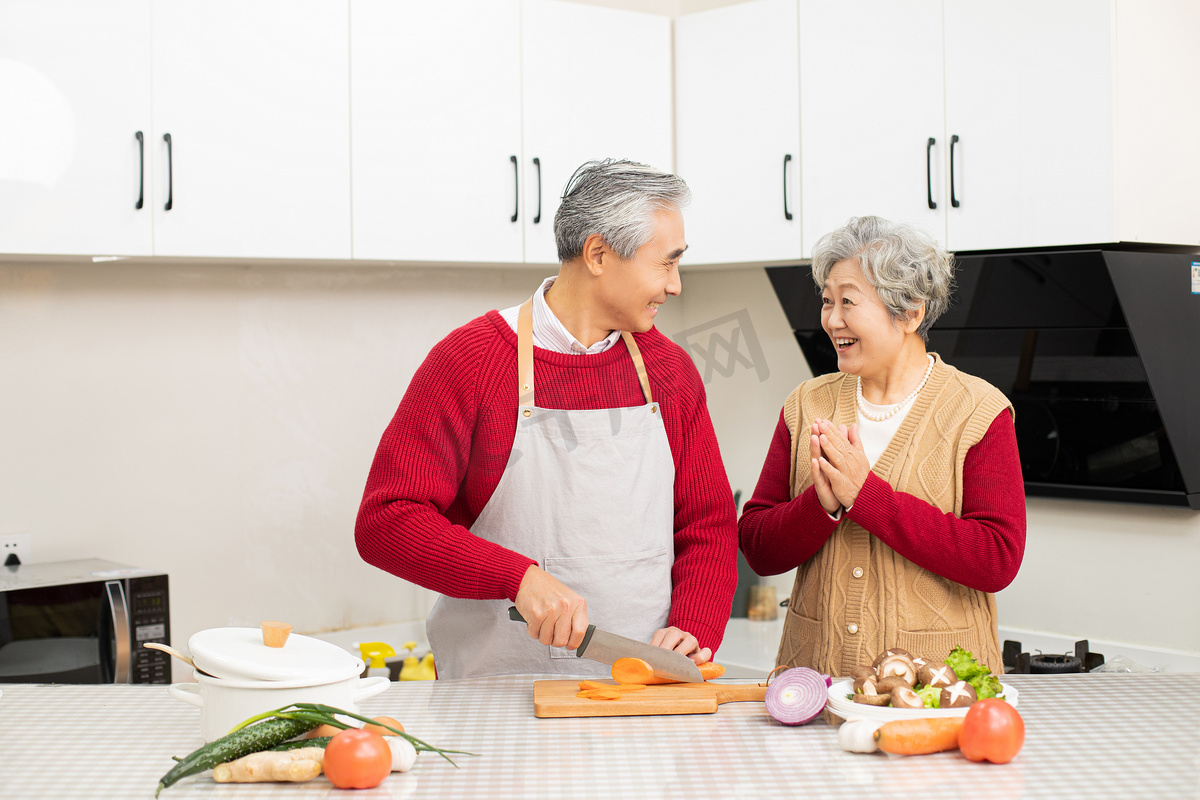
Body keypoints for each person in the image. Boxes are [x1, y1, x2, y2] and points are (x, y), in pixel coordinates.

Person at [356, 159, 738, 679]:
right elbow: (386, 521)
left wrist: (694, 627)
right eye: (665, 263)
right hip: (492, 698)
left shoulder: (669, 371)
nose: (675, 286)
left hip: (643, 694)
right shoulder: (471, 361)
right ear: (599, 254)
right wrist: (518, 577)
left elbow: (708, 524)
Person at [738, 216, 1025, 678]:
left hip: (936, 693)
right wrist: (822, 506)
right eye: (827, 301)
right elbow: (757, 548)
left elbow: (996, 558)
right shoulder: (807, 404)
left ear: (911, 312)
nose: (832, 320)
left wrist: (865, 496)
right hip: (814, 685)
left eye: (848, 302)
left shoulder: (978, 411)